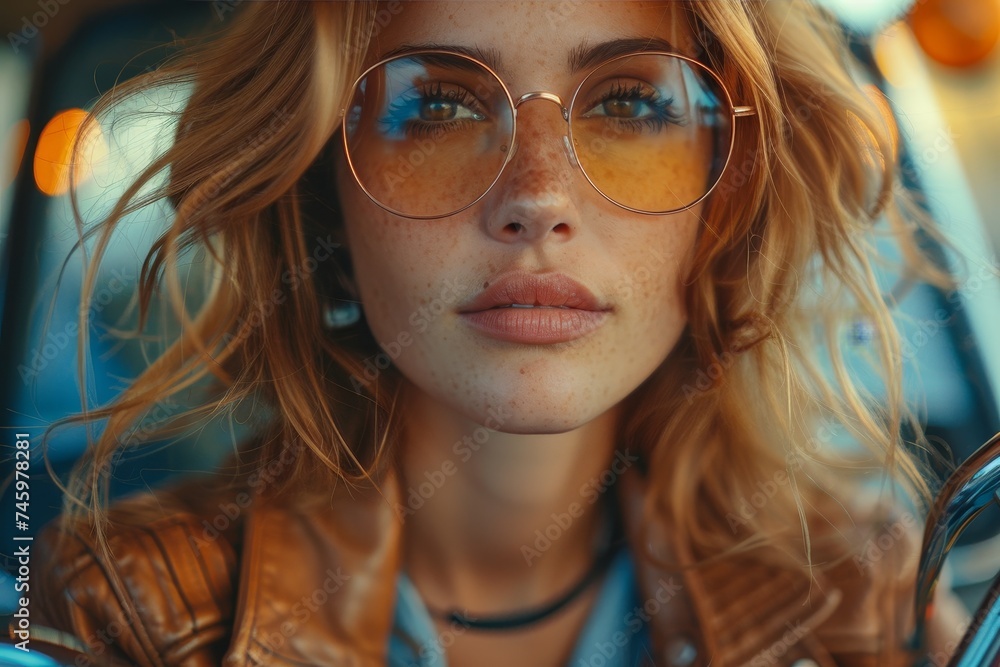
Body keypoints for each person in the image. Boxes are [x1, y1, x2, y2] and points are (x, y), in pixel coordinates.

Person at [27, 1, 972, 666]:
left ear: (727, 191)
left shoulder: (860, 596)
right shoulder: (123, 612)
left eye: (630, 103)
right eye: (437, 105)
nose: (538, 199)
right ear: (323, 197)